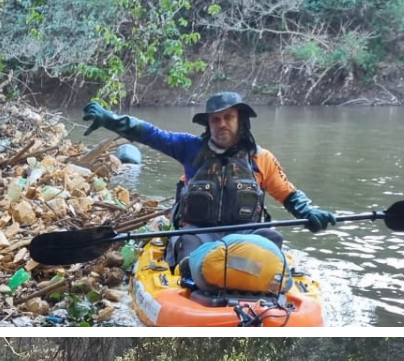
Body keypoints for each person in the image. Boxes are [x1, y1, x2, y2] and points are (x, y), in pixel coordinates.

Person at [81, 92, 337, 274]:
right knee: (191, 250)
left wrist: (309, 212)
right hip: (198, 234)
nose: (221, 124)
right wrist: (111, 119)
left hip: (246, 235)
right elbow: (151, 134)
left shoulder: (261, 158)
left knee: (272, 239)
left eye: (228, 117)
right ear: (208, 124)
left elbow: (288, 194)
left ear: (241, 121)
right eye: (215, 119)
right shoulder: (190, 148)